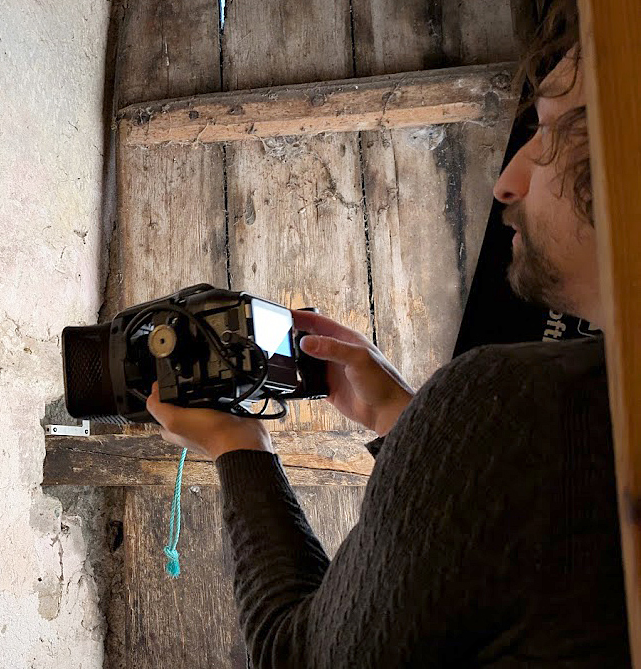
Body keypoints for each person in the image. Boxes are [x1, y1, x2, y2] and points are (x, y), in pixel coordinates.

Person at [145, 2, 632, 666]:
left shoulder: (523, 406)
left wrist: (238, 442)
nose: (507, 182)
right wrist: (402, 417)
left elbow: (297, 652)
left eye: (544, 136)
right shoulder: (587, 408)